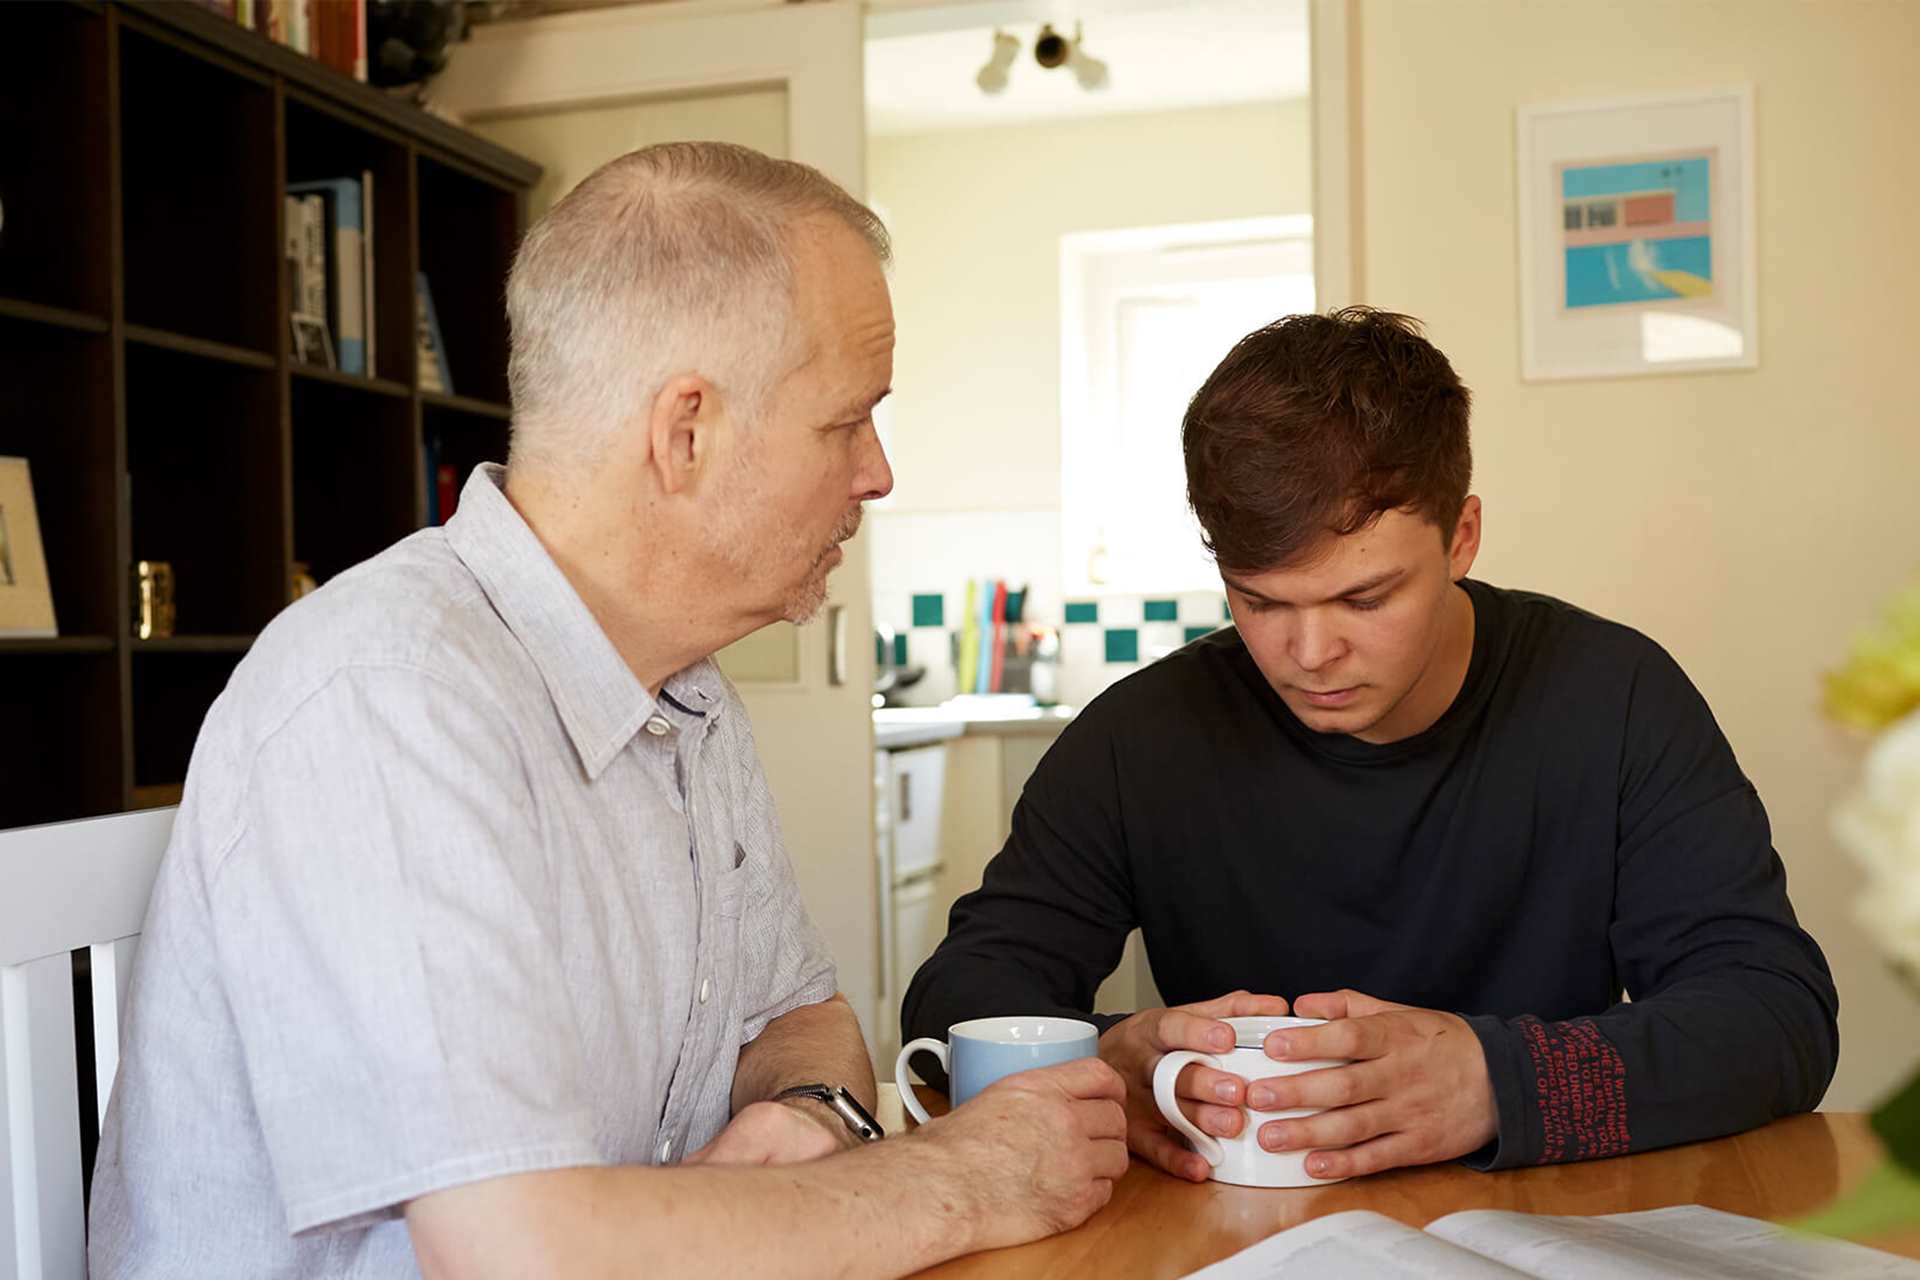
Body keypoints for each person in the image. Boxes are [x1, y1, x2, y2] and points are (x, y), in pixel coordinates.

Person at [90, 142, 1127, 1279]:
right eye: (847, 421)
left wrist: (817, 1114)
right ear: (686, 432)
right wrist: (957, 1177)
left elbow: (805, 1020)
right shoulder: (390, 698)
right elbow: (516, 1252)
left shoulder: (685, 687)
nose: (877, 474)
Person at [903, 307, 1837, 1184]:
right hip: (1245, 1228)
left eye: (1365, 597)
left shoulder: (1616, 696)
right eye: (1261, 601)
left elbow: (1776, 1015)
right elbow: (958, 998)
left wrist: (1499, 1081)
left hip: (1550, 1215)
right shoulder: (1140, 734)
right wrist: (1110, 1059)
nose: (1309, 655)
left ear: (1462, 536)